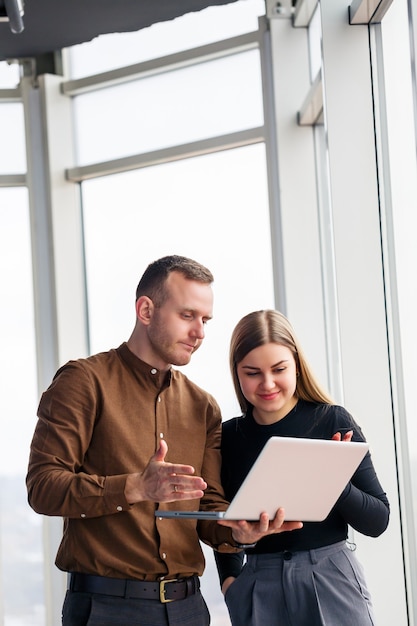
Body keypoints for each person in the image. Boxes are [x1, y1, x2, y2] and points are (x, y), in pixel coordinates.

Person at [26, 256, 301, 626]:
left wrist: (236, 531)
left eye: (205, 320)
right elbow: (42, 487)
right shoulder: (84, 382)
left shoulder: (203, 406)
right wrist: (135, 487)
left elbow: (208, 506)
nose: (200, 333)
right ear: (145, 310)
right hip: (106, 608)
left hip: (188, 608)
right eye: (188, 315)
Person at [215, 309, 390, 626]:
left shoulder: (332, 420)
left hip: (329, 578)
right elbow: (225, 524)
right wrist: (230, 584)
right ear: (236, 372)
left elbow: (378, 520)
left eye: (279, 369)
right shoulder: (226, 438)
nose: (267, 383)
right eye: (252, 372)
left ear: (296, 364)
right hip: (257, 585)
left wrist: (332, 479)